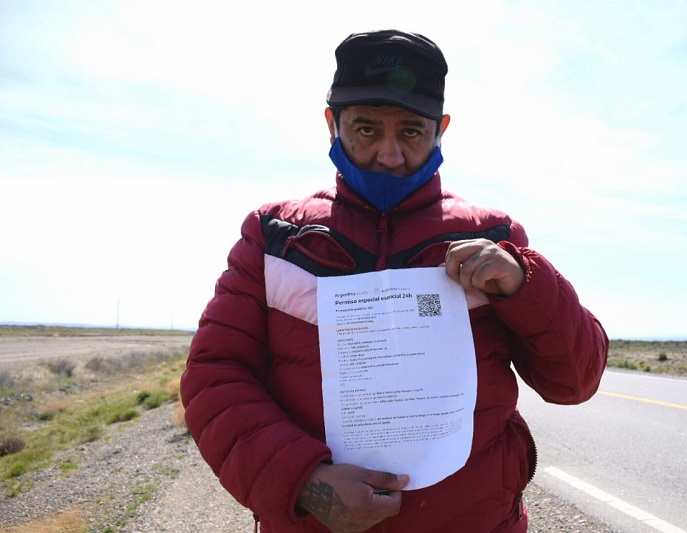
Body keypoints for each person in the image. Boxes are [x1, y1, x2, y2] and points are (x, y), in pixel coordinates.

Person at [181, 29, 608, 533]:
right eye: (365, 129)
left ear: (441, 129)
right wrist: (304, 481)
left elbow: (575, 382)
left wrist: (525, 283)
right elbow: (215, 376)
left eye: (411, 131)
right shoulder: (275, 237)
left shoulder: (494, 236)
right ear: (331, 125)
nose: (389, 154)